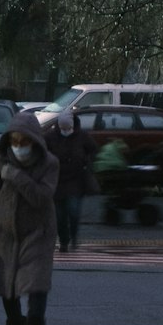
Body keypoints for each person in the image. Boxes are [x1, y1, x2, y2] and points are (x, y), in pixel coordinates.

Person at [0, 109, 58, 325]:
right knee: (7, 287)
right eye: (14, 141)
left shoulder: (49, 164)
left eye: (23, 142)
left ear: (34, 141)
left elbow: (41, 197)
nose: (18, 147)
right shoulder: (2, 160)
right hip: (3, 234)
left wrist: (15, 176)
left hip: (38, 234)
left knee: (36, 285)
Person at [43, 108, 97, 252]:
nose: (66, 130)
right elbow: (42, 152)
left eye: (68, 128)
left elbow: (93, 150)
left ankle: (73, 237)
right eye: (63, 128)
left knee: (73, 212)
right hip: (57, 181)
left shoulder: (82, 136)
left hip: (75, 181)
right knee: (59, 216)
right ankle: (64, 241)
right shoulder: (50, 137)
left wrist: (87, 162)